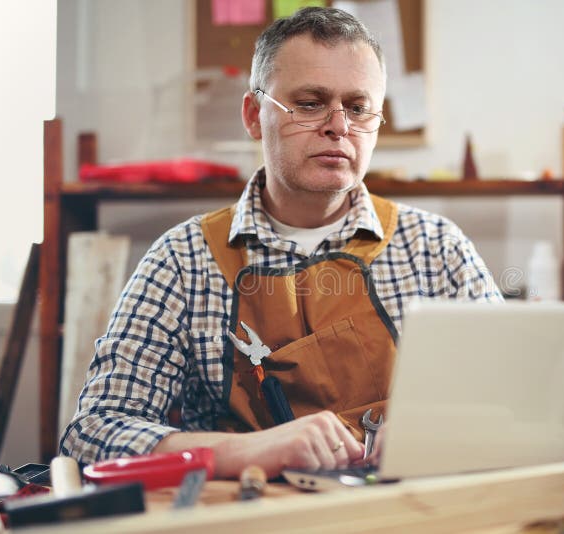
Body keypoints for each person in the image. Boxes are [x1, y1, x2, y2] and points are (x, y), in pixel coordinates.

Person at [60, 7, 502, 480]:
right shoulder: (183, 261)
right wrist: (247, 451)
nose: (339, 126)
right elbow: (93, 435)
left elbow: (520, 399)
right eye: (310, 103)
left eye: (358, 108)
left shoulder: (437, 250)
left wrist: (442, 428)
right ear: (254, 115)